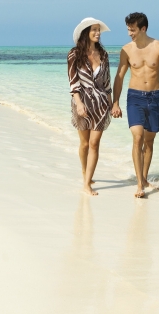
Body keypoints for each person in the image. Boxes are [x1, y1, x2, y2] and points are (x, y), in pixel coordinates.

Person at [111, 12, 159, 198]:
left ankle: (145, 177)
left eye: (132, 30)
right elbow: (120, 77)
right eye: (128, 30)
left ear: (143, 29)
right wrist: (115, 102)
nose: (129, 33)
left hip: (155, 97)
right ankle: (140, 184)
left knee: (149, 140)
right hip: (135, 97)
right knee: (137, 137)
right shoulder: (126, 50)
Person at [68, 17, 112, 196]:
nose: (97, 32)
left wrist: (112, 103)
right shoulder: (74, 54)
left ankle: (87, 184)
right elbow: (73, 82)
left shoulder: (104, 54)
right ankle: (85, 172)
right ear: (85, 32)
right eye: (94, 29)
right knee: (85, 144)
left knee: (94, 144)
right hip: (82, 102)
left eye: (98, 29)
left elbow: (107, 81)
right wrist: (78, 104)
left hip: (101, 104)